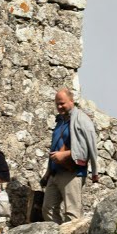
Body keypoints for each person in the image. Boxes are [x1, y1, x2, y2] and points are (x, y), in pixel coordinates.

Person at [41, 87, 99, 224]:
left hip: (72, 172)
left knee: (72, 213)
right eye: (57, 104)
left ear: (72, 101)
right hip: (55, 172)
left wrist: (66, 154)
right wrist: (48, 172)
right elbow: (54, 146)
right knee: (47, 209)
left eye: (62, 103)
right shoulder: (59, 121)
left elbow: (88, 146)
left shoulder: (82, 119)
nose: (59, 106)